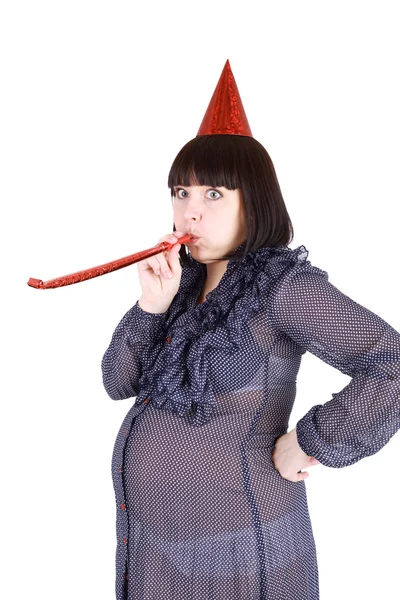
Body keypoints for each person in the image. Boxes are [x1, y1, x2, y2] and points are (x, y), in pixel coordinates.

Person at [101, 60, 400, 600]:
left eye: (214, 194)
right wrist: (150, 307)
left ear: (253, 202)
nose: (190, 212)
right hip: (155, 552)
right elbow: (117, 382)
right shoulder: (179, 283)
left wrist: (311, 442)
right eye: (180, 193)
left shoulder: (281, 287)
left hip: (242, 556)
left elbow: (392, 362)